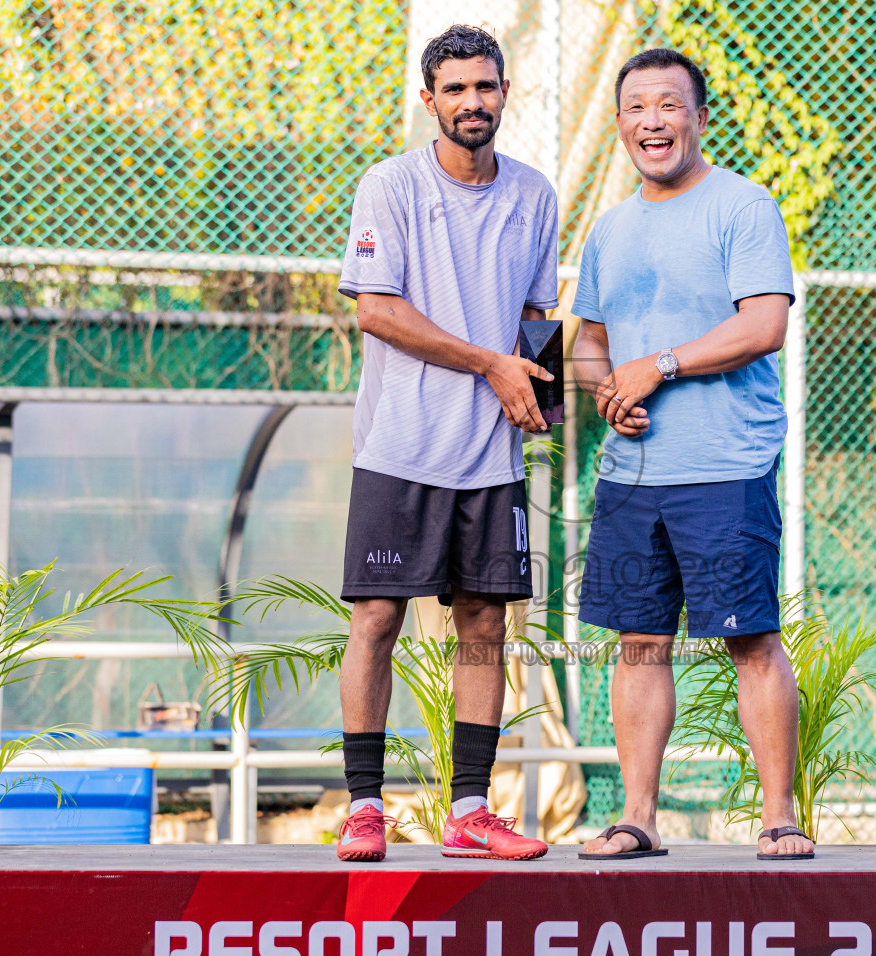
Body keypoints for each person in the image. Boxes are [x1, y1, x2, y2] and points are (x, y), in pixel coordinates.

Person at [573, 48, 813, 860]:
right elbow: (590, 343)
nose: (653, 121)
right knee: (638, 643)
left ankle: (779, 817)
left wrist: (659, 365)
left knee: (750, 641)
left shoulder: (743, 207)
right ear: (619, 125)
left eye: (669, 105)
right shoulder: (609, 229)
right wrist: (609, 390)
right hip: (633, 477)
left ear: (698, 119)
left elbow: (762, 325)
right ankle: (637, 817)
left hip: (727, 467)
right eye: (637, 107)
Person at [333, 24, 558, 862]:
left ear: (504, 94)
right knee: (378, 619)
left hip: (491, 458)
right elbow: (376, 310)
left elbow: (535, 324)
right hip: (400, 448)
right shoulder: (388, 185)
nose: (473, 101)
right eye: (455, 88)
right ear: (429, 99)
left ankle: (469, 811)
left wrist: (541, 399)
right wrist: (490, 364)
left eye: (486, 87)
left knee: (483, 627)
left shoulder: (535, 195)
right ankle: (364, 808)